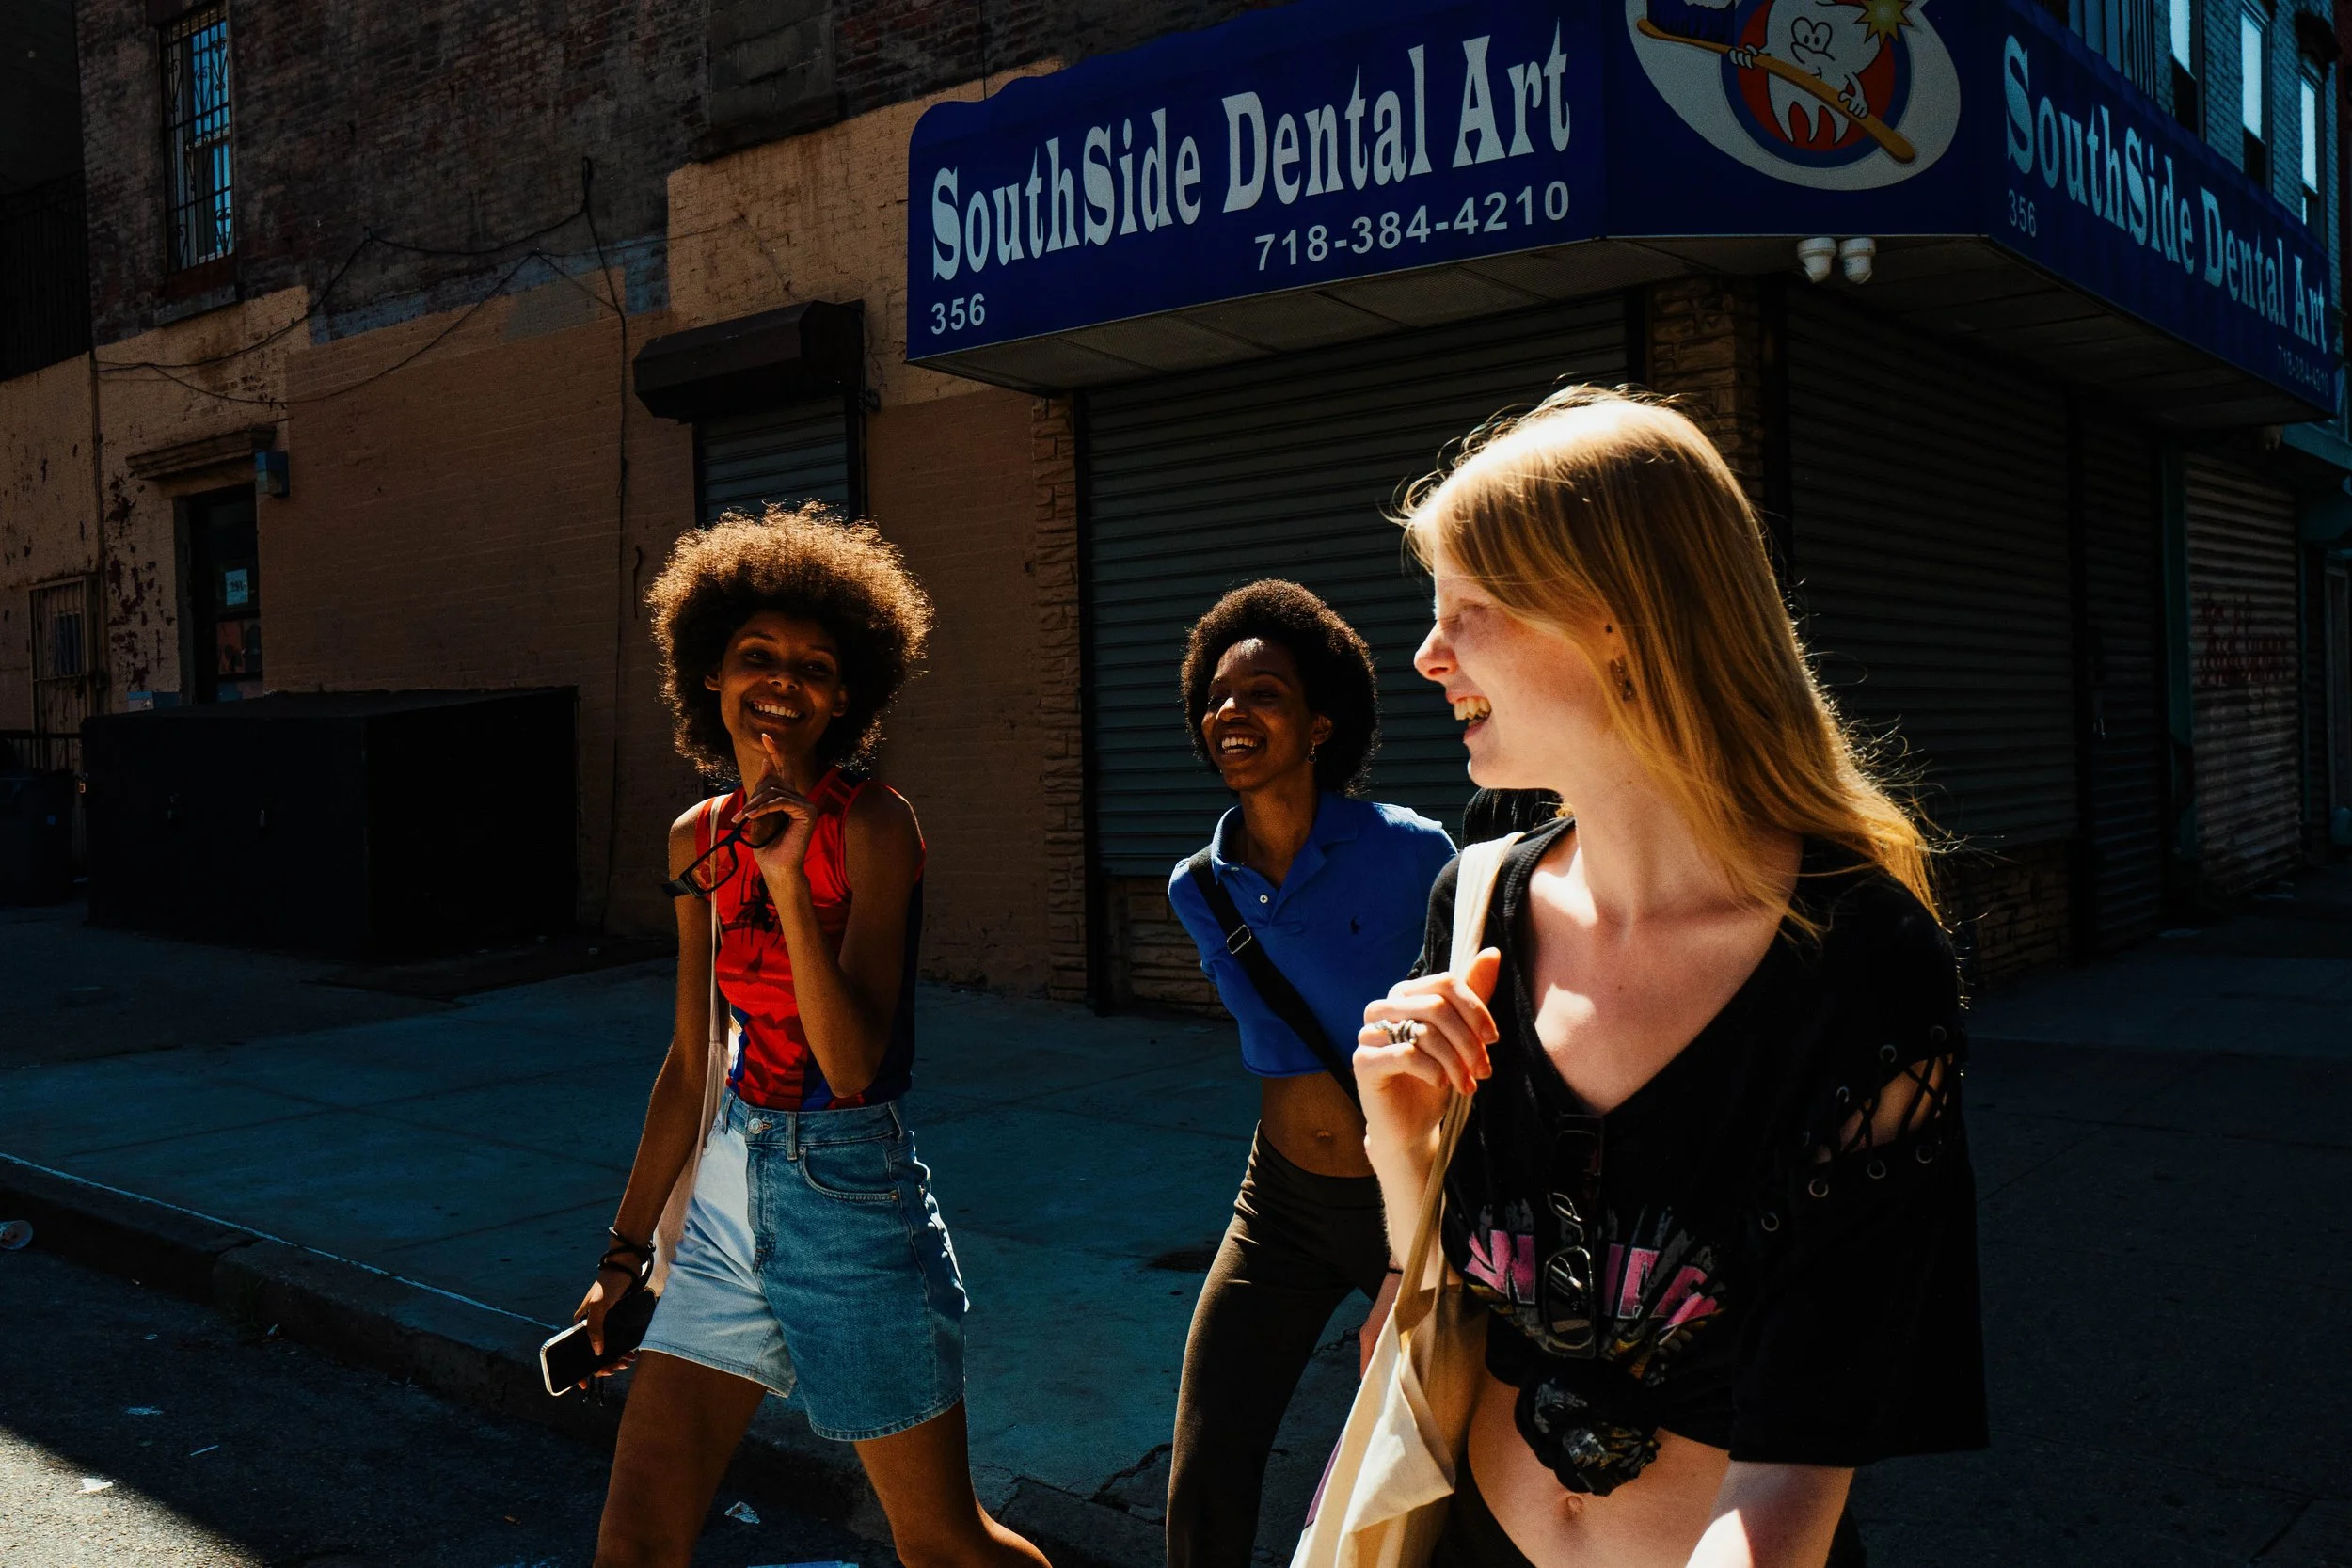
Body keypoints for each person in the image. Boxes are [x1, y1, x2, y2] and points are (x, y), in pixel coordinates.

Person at [1356, 389, 1985, 1568]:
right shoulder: (1474, 901)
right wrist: (1401, 1153)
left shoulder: (1861, 959)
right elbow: (1426, 1300)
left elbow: (1806, 1438)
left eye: (1468, 611)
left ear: (1613, 620)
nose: (1426, 655)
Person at [576, 504, 1047, 1568]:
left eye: (814, 665)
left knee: (942, 1543)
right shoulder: (696, 835)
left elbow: (852, 1061)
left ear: (847, 696)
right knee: (636, 1539)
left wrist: (787, 880)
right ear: (710, 675)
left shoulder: (873, 824)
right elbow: (693, 1061)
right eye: (755, 657)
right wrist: (621, 1253)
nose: (781, 680)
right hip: (729, 1198)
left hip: (848, 1194)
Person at [1161, 579, 1456, 1568]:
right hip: (1276, 1204)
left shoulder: (1414, 853)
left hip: (1407, 1203)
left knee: (1436, 1480)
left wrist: (1402, 1256)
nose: (1232, 711)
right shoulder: (1199, 885)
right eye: (1219, 695)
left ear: (1321, 722)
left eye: (1266, 694)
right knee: (1206, 1471)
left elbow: (1465, 1058)